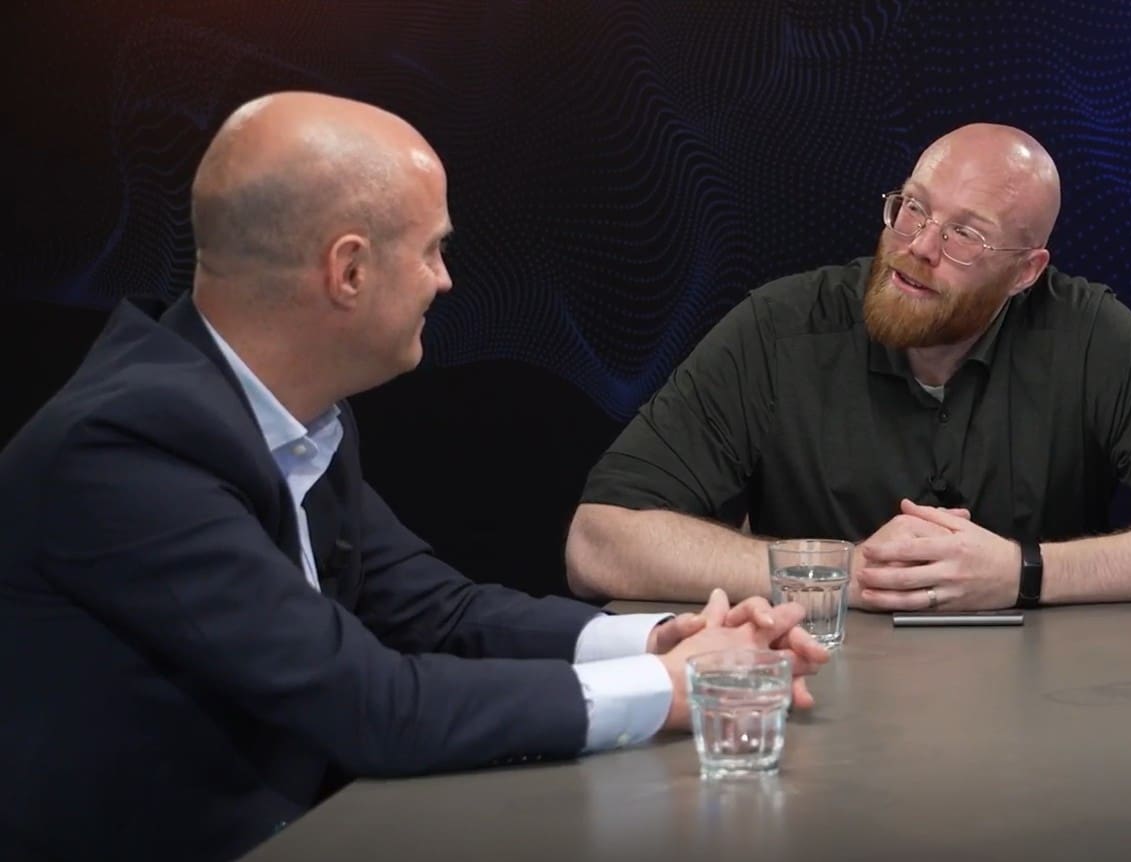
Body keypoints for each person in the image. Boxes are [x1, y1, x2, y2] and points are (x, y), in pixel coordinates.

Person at [0, 92, 830, 862]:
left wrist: (661, 641)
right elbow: (370, 706)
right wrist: (667, 688)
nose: (445, 278)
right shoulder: (126, 447)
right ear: (349, 271)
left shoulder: (291, 413)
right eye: (433, 249)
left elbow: (439, 612)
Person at [568, 123, 1131, 612]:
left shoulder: (1087, 334)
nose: (917, 246)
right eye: (912, 209)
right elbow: (599, 541)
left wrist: (1022, 572)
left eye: (965, 236)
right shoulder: (781, 326)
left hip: (1044, 712)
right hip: (819, 693)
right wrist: (842, 575)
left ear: (1025, 272)